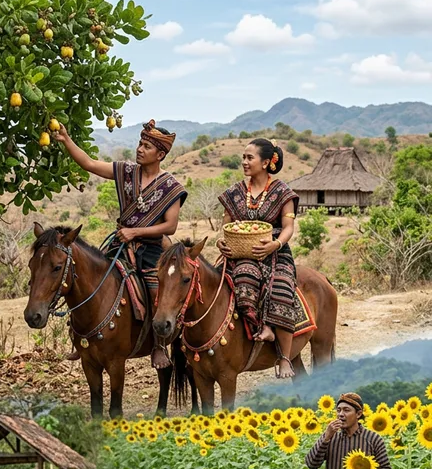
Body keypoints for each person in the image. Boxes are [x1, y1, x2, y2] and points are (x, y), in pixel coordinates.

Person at [54, 121, 187, 368]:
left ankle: (159, 345)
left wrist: (136, 231)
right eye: (139, 143)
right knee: (87, 278)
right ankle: (80, 337)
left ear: (160, 154)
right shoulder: (126, 171)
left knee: (155, 287)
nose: (139, 149)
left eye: (146, 146)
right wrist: (67, 140)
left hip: (151, 247)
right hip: (120, 243)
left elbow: (170, 226)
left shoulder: (171, 187)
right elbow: (89, 164)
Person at [217, 139, 299, 379]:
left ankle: (284, 357)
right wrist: (220, 242)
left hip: (274, 250)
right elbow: (226, 226)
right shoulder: (235, 193)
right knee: (222, 282)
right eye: (243, 157)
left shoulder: (282, 192)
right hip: (239, 252)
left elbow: (288, 227)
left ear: (266, 162)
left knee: (282, 289)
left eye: (249, 158)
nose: (244, 162)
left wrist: (275, 244)